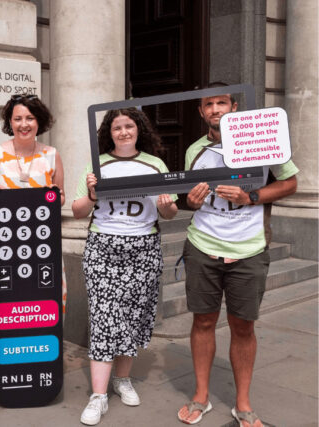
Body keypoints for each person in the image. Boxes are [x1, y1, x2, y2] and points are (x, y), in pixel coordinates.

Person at [177, 85, 297, 427]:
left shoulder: (261, 137)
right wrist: (192, 201)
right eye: (208, 105)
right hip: (203, 246)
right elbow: (191, 198)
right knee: (203, 321)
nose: (215, 109)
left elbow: (290, 183)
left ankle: (242, 404)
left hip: (248, 249)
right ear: (201, 112)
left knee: (243, 327)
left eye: (221, 102)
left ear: (234, 105)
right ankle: (201, 396)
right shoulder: (195, 150)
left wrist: (252, 196)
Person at [72, 108, 177, 426]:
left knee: (133, 317)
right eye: (117, 127)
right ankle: (99, 395)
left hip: (143, 249)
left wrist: (165, 203)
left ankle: (123, 378)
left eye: (129, 125)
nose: (123, 132)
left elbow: (170, 211)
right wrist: (91, 195)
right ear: (109, 132)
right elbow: (77, 210)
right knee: (103, 318)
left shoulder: (155, 164)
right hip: (103, 248)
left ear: (139, 128)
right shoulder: (97, 164)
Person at [0, 94, 66, 325]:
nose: (24, 124)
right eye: (17, 119)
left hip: (40, 237)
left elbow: (61, 196)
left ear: (39, 121)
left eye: (30, 118)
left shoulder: (51, 155)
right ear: (10, 122)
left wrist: (55, 197)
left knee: (41, 287)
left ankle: (38, 335)